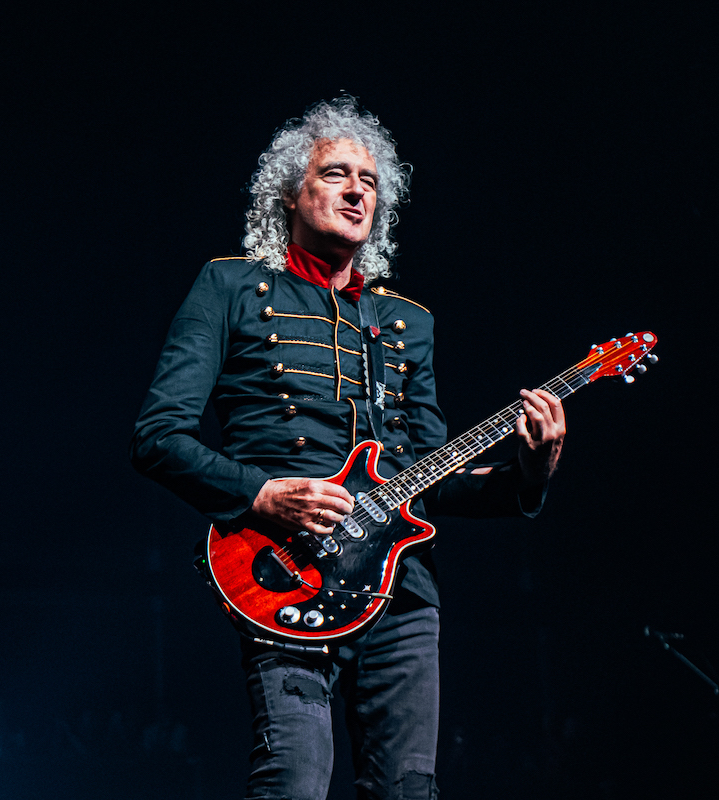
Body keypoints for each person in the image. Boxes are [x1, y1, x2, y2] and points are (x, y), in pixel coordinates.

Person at [130, 98, 566, 800]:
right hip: (284, 570)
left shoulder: (406, 321)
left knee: (408, 790)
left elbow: (433, 475)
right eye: (335, 174)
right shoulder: (229, 286)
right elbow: (158, 437)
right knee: (295, 782)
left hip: (401, 587)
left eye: (369, 181)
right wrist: (263, 494)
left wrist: (529, 471)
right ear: (289, 193)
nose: (358, 190)